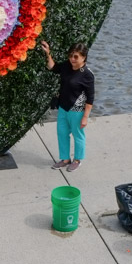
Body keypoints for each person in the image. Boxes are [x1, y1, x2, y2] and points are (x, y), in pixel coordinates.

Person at [41, 40, 94, 172]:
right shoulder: (66, 66)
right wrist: (48, 54)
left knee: (78, 135)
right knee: (62, 133)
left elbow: (90, 98)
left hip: (77, 109)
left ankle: (77, 160)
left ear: (84, 57)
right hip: (63, 107)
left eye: (76, 56)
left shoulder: (87, 74)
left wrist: (85, 117)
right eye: (70, 56)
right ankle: (65, 159)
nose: (72, 59)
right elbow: (53, 67)